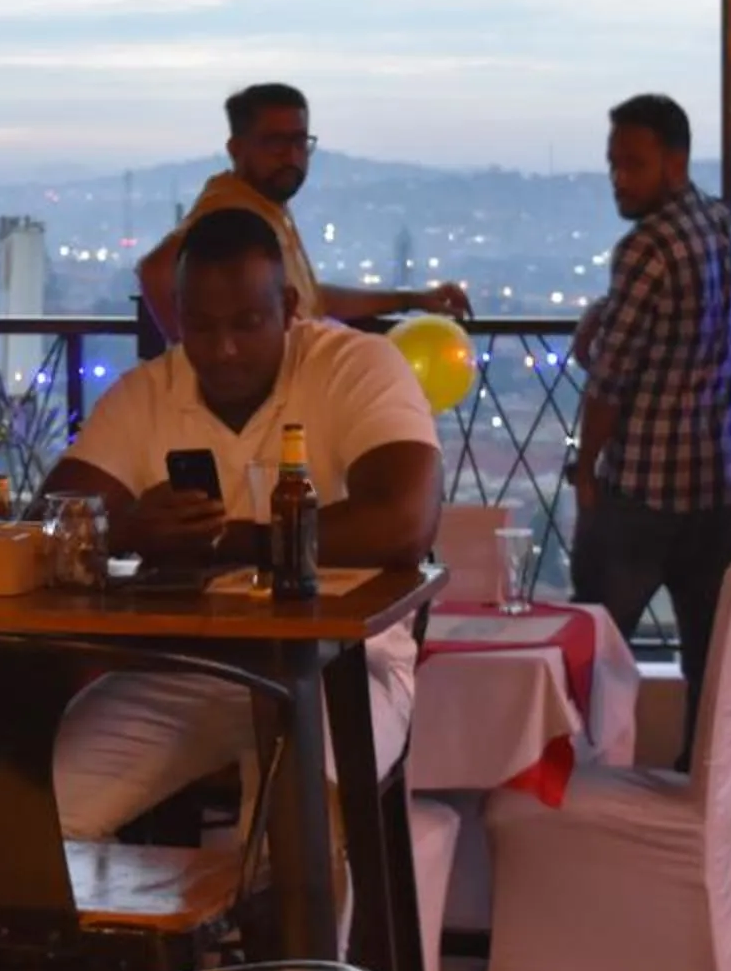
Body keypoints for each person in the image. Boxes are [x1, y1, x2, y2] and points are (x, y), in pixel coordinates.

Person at [46, 206, 440, 839]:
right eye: (200, 327)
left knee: (300, 820)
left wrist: (230, 543)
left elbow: (403, 523)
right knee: (32, 820)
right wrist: (129, 529)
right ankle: (133, 938)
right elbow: (57, 518)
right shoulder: (149, 392)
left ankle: (291, 942)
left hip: (341, 669)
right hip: (183, 669)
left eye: (247, 323)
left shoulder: (356, 366)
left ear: (288, 307)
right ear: (176, 317)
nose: (223, 348)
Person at [569, 94, 731, 764]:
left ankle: (583, 791)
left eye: (633, 165)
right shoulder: (721, 223)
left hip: (641, 490)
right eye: (614, 164)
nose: (619, 178)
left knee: (593, 658)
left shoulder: (644, 247)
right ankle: (700, 796)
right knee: (711, 665)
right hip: (717, 485)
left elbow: (609, 380)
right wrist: (603, 313)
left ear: (675, 162)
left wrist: (588, 471)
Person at [137, 83, 472, 339]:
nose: (291, 156)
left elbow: (310, 299)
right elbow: (155, 270)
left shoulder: (267, 206)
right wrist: (194, 358)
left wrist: (410, 299)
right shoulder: (231, 207)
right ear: (237, 149)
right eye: (275, 142)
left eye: (299, 142)